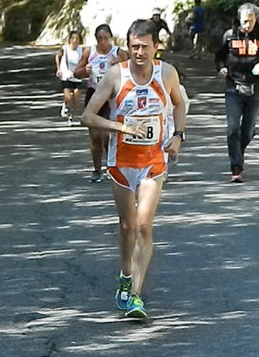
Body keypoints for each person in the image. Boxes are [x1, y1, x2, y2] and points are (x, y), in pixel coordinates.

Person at [80, 19, 186, 319]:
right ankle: (125, 276)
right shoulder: (116, 75)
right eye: (133, 46)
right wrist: (120, 126)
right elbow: (87, 116)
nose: (138, 52)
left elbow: (179, 104)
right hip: (121, 162)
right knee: (127, 226)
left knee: (143, 225)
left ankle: (136, 295)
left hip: (153, 162)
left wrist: (177, 137)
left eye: (144, 47)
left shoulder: (166, 73)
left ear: (156, 46)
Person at [214, 2, 259, 182]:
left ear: (256, 19)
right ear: (238, 19)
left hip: (257, 86)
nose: (247, 25)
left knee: (247, 132)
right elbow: (219, 56)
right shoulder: (230, 35)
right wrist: (221, 68)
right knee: (233, 129)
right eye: (244, 21)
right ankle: (236, 167)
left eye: (251, 21)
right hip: (233, 86)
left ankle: (239, 151)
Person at [74, 24, 127, 182]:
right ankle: (97, 170)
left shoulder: (118, 52)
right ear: (95, 39)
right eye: (100, 39)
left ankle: (112, 166)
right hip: (94, 94)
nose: (103, 42)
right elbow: (77, 72)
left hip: (112, 97)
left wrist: (119, 64)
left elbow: (131, 72)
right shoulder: (89, 52)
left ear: (111, 38)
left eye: (106, 38)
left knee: (107, 135)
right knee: (95, 136)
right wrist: (86, 70)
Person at [55, 31, 84, 126]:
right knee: (69, 97)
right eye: (73, 38)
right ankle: (65, 103)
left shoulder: (81, 50)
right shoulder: (65, 48)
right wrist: (58, 69)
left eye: (77, 39)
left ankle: (71, 117)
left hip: (76, 77)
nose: (75, 41)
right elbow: (57, 56)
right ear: (70, 40)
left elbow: (85, 61)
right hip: (66, 76)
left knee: (76, 98)